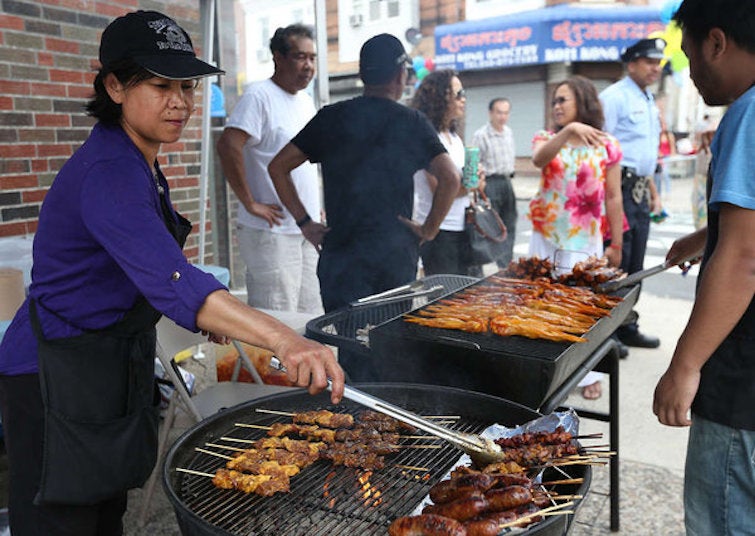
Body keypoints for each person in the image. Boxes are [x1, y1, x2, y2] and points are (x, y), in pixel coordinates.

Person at [0, 11, 344, 535]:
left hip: (104, 360)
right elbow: (173, 279)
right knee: (63, 518)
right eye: (161, 85)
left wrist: (217, 311)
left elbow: (150, 267)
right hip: (52, 372)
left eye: (187, 85)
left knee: (103, 507)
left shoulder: (140, 159)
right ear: (114, 85)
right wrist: (286, 341)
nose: (180, 101)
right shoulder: (109, 171)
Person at [653, 1, 755, 533]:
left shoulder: (748, 113)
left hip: (743, 388)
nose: (690, 75)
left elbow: (744, 258)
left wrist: (685, 365)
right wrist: (707, 235)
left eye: (691, 56)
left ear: (717, 42)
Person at [269, 33, 459, 314]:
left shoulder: (331, 117)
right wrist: (428, 229)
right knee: (390, 343)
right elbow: (451, 178)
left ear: (362, 74)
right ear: (400, 75)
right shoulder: (411, 122)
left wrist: (306, 224)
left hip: (341, 256)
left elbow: (278, 167)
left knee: (348, 342)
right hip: (394, 256)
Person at [529, 76, 625, 400]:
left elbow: (613, 195)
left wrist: (617, 244)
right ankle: (544, 372)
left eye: (563, 100)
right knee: (543, 302)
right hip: (546, 237)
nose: (556, 106)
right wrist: (568, 133)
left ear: (582, 102)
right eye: (554, 101)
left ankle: (586, 375)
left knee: (582, 308)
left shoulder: (607, 144)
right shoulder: (546, 138)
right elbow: (539, 159)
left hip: (584, 239)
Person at [216, 24, 322, 314]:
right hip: (271, 232)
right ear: (278, 56)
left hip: (306, 229)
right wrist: (249, 202)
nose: (309, 65)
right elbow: (228, 145)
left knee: (311, 314)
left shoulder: (305, 101)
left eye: (313, 58)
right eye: (301, 57)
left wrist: (317, 208)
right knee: (276, 317)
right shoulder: (259, 96)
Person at [600, 37, 666, 349]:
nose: (656, 68)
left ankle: (627, 323)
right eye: (650, 61)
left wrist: (654, 192)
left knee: (636, 264)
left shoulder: (648, 100)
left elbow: (645, 154)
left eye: (659, 62)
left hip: (640, 190)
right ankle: (606, 332)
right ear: (632, 64)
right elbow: (602, 149)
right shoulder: (614, 97)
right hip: (620, 189)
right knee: (616, 263)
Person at [411, 70, 485, 276]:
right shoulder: (429, 137)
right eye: (458, 93)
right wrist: (469, 184)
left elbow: (464, 185)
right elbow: (439, 189)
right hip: (438, 231)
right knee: (442, 301)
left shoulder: (454, 137)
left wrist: (477, 180)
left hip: (464, 228)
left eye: (464, 93)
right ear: (440, 96)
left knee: (465, 298)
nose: (463, 99)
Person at [472, 97, 518, 269]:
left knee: (509, 223)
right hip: (490, 184)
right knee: (490, 225)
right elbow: (474, 162)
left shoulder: (508, 132)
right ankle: (480, 265)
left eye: (506, 113)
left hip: (507, 181)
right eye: (499, 112)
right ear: (490, 113)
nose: (502, 117)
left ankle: (505, 265)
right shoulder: (481, 135)